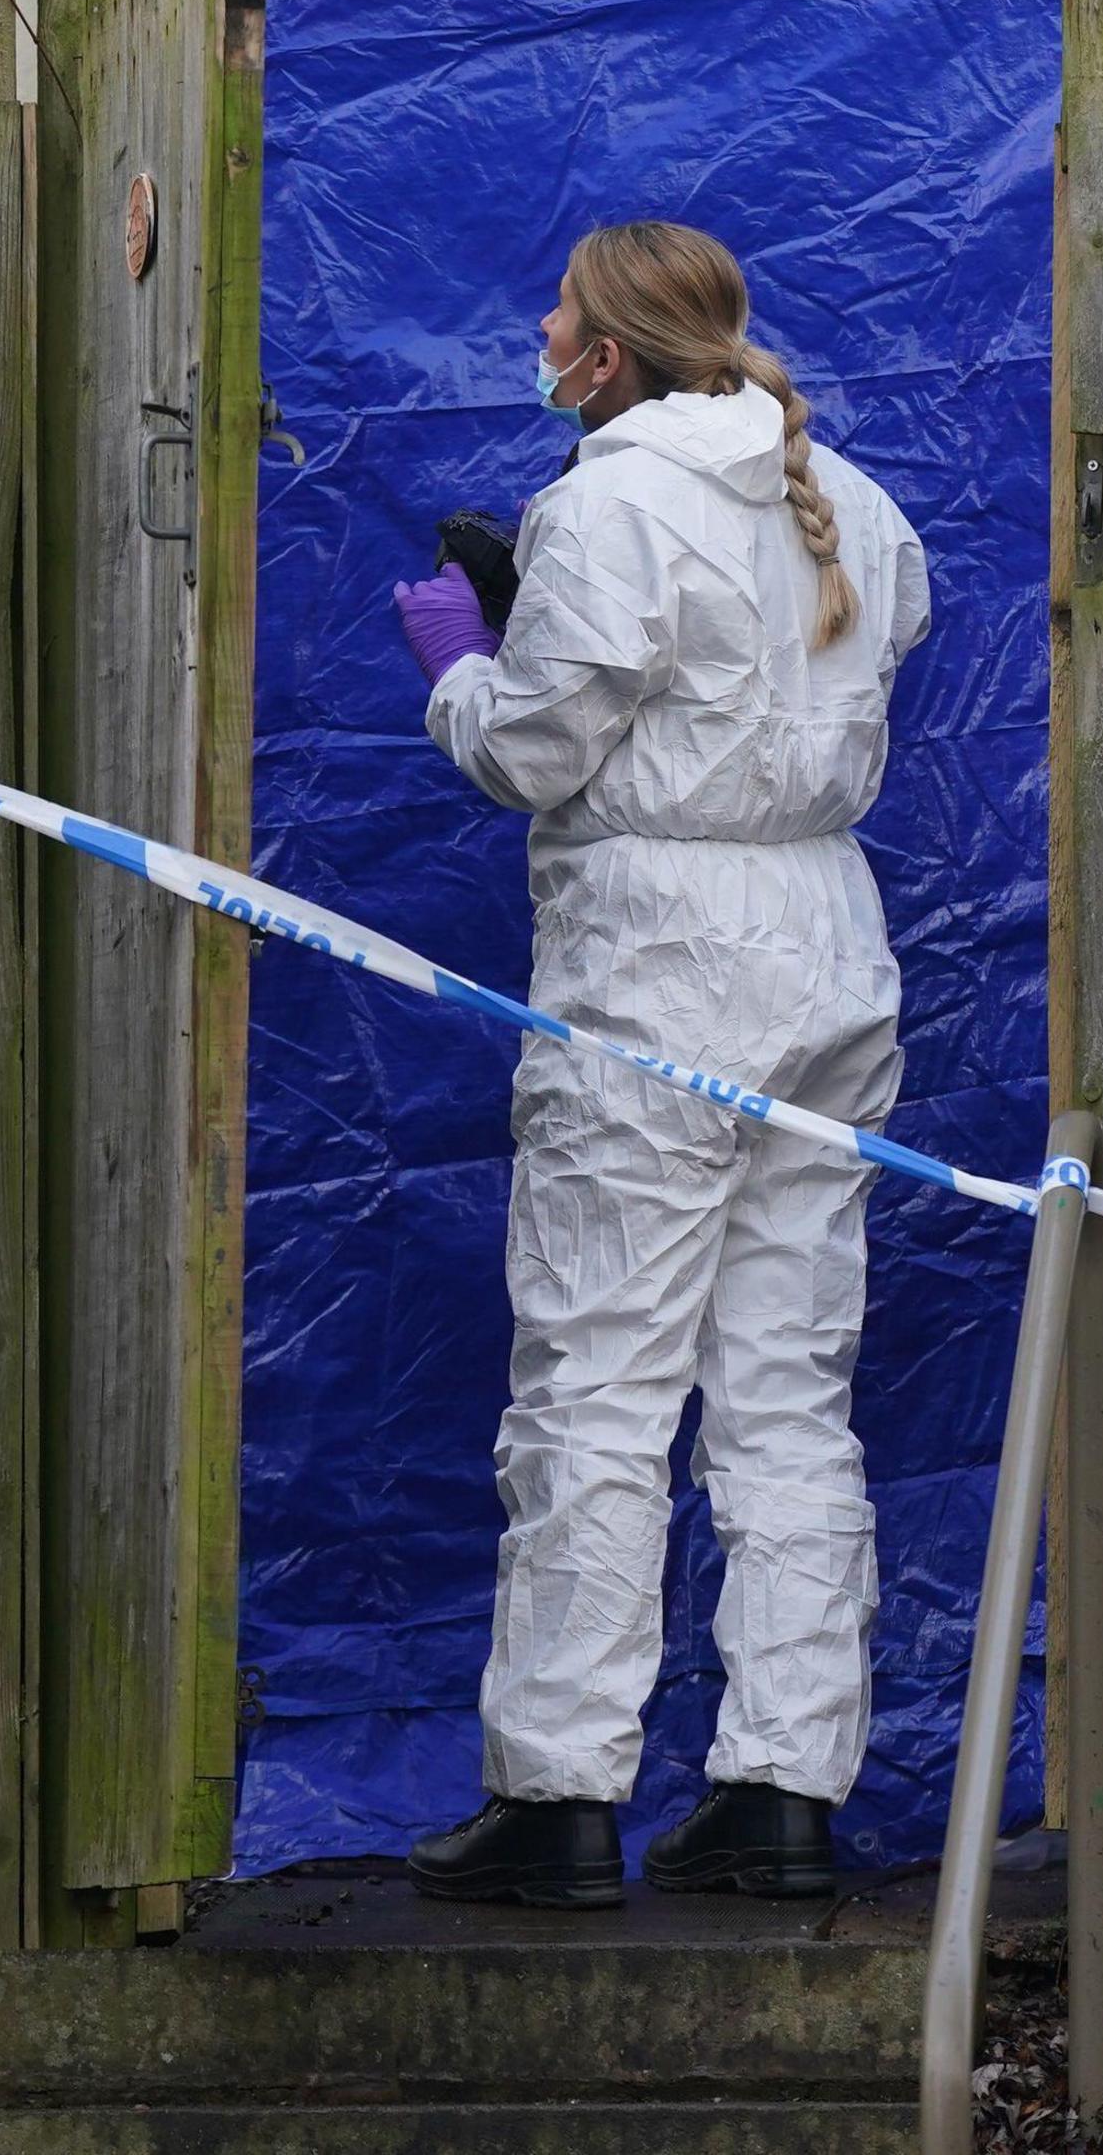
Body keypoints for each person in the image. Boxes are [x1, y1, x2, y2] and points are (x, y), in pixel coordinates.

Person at [384, 222, 931, 1908]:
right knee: (788, 1390)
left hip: (656, 977)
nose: (539, 338)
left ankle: (557, 1799)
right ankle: (783, 1793)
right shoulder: (857, 503)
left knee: (600, 1382)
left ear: (605, 360)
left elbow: (541, 751)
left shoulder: (609, 501)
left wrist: (459, 662)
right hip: (827, 958)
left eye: (555, 318)